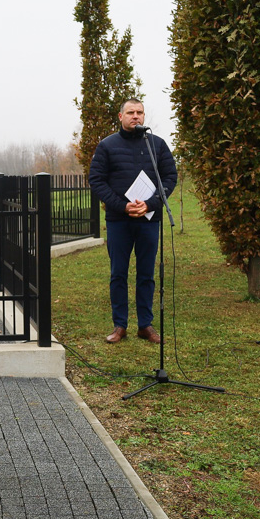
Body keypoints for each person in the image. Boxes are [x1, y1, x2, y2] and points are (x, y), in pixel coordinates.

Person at [88, 98, 177, 345]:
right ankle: (120, 325)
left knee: (146, 274)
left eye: (139, 112)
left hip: (149, 219)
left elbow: (170, 176)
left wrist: (151, 204)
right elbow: (96, 180)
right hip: (119, 220)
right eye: (130, 112)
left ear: (144, 116)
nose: (135, 116)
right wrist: (123, 206)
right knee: (118, 273)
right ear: (120, 116)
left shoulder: (156, 145)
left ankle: (145, 325)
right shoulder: (107, 146)